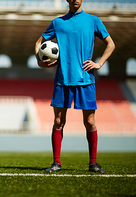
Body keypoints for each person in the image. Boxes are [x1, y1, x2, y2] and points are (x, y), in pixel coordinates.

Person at [35, 0, 115, 173]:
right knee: (58, 121)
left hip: (85, 80)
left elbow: (111, 44)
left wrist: (99, 63)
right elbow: (39, 42)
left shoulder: (93, 21)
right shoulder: (57, 22)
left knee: (90, 121)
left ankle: (93, 163)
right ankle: (56, 162)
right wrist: (39, 61)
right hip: (62, 79)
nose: (75, 0)